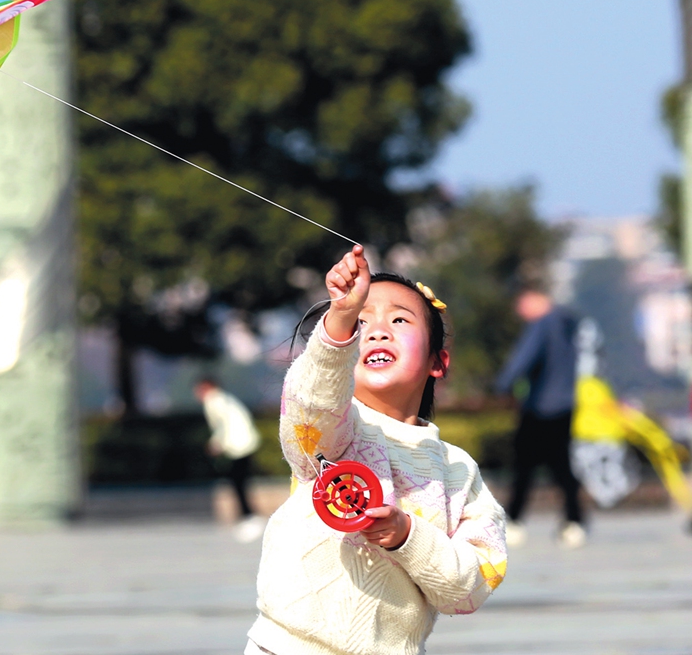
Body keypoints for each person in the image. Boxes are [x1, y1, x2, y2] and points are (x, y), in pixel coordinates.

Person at [245, 245, 506, 655]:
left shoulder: (458, 470)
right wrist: (339, 320)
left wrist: (408, 536)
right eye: (363, 322)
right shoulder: (333, 430)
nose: (378, 330)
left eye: (400, 319)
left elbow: (468, 589)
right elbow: (312, 404)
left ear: (439, 362)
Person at [494, 286, 583, 549]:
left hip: (540, 407)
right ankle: (574, 521)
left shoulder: (543, 324)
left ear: (534, 299)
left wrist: (503, 385)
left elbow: (523, 359)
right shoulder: (569, 323)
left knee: (524, 467)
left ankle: (514, 521)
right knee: (563, 466)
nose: (521, 313)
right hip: (566, 404)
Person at [193, 377, 264, 542]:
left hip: (238, 447)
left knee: (238, 483)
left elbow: (221, 426)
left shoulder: (213, 400)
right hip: (245, 444)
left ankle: (249, 517)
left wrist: (216, 444)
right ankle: (249, 516)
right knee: (240, 482)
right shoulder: (225, 399)